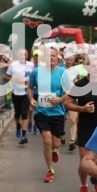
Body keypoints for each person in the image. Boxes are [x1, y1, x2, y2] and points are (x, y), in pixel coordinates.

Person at [64, 54, 97, 192]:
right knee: (84, 162)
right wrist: (83, 109)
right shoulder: (79, 85)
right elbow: (67, 103)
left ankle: (95, 177)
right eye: (92, 65)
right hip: (86, 127)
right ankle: (83, 186)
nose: (96, 68)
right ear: (86, 67)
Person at [28, 46, 68, 183]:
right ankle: (50, 170)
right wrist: (32, 99)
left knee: (55, 144)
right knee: (47, 140)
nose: (51, 58)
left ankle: (54, 151)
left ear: (57, 58)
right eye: (48, 56)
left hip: (57, 112)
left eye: (53, 56)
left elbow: (69, 90)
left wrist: (61, 99)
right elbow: (29, 87)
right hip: (41, 111)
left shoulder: (63, 72)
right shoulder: (36, 72)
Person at [5, 48, 34, 144]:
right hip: (16, 92)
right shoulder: (13, 65)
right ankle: (18, 126)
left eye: (24, 54)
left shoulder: (31, 65)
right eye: (20, 54)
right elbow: (5, 77)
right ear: (18, 56)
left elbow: (35, 77)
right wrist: (14, 79)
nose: (22, 56)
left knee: (24, 113)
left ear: (27, 55)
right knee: (17, 113)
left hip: (26, 93)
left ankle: (24, 134)